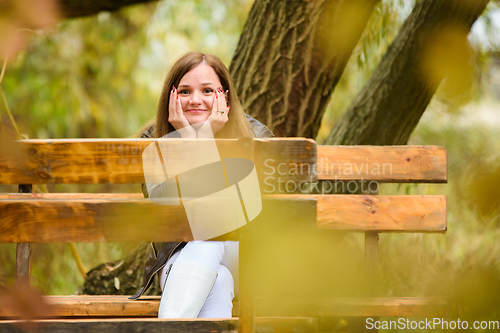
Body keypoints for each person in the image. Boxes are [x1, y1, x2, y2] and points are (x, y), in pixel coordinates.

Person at [129, 52, 273, 319]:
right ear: (171, 98)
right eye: (184, 91)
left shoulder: (255, 138)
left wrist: (202, 140)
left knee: (208, 236)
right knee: (218, 280)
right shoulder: (153, 139)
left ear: (224, 97)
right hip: (183, 261)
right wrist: (189, 140)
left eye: (207, 90)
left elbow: (237, 219)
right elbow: (163, 211)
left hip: (247, 258)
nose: (195, 100)